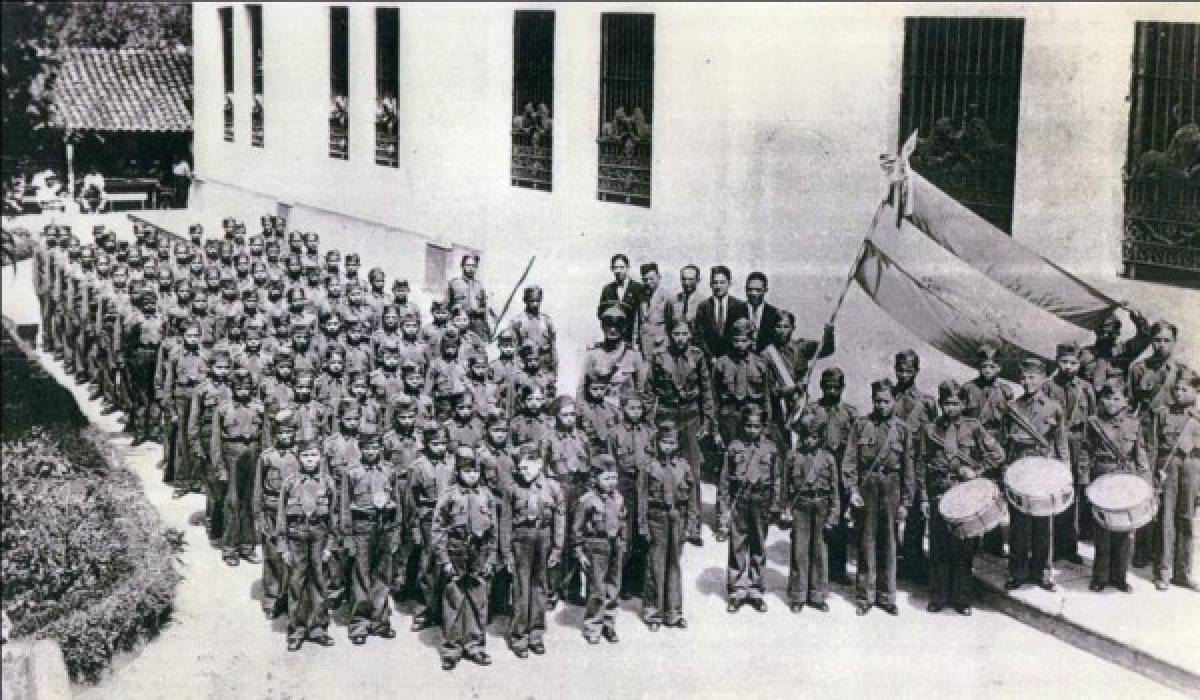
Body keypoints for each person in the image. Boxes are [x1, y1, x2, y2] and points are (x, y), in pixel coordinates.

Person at [920, 381, 1005, 615]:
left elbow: (998, 454)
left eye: (955, 403)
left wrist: (977, 471)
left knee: (963, 547)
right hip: (938, 490)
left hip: (964, 493)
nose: (951, 408)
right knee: (938, 547)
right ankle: (938, 596)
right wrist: (924, 498)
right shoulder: (930, 430)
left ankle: (961, 598)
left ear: (963, 404)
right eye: (946, 403)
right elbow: (921, 465)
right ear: (940, 404)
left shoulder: (974, 427)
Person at [845, 379, 915, 616]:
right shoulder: (861, 425)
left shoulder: (902, 429)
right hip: (868, 487)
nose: (881, 405)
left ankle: (886, 596)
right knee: (866, 542)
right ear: (872, 400)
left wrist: (906, 501)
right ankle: (865, 596)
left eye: (886, 401)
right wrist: (852, 490)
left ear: (894, 401)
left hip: (892, 487)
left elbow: (908, 468)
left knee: (889, 543)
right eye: (877, 401)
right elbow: (850, 460)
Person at [1003, 357, 1069, 592]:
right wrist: (1005, 471)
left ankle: (1043, 573)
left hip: (1043, 467)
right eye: (1024, 377)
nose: (1027, 381)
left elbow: (1061, 442)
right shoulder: (1013, 407)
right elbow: (1004, 442)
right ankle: (1017, 572)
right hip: (1019, 467)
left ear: (1042, 379)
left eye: (1032, 377)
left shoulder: (1053, 407)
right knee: (1019, 524)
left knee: (1044, 523)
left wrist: (1065, 472)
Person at [432, 447, 499, 670]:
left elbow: (494, 531)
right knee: (454, 599)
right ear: (458, 471)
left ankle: (475, 645)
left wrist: (490, 558)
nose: (471, 475)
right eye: (466, 471)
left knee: (478, 599)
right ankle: (452, 648)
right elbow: (438, 529)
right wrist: (445, 559)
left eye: (475, 472)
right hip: (456, 550)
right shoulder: (449, 495)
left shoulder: (486, 495)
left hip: (479, 552)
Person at [648, 320, 714, 544]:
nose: (680, 338)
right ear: (670, 335)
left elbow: (706, 390)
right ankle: (668, 520)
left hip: (691, 416)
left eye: (685, 333)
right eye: (676, 333)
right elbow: (650, 389)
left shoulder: (698, 356)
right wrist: (650, 422)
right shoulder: (659, 357)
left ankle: (693, 526)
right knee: (665, 467)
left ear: (690, 335)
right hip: (666, 415)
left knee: (693, 472)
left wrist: (707, 420)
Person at [1081, 380, 1150, 592]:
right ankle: (1100, 577)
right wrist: (1084, 480)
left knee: (1124, 529)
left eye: (1117, 398)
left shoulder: (1134, 423)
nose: (1111, 403)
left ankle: (1119, 577)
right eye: (1107, 398)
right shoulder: (1094, 423)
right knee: (1102, 529)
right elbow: (1085, 452)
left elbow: (1140, 454)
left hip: (1126, 479)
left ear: (1126, 402)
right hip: (1102, 476)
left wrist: (1145, 482)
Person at [1128, 320, 1187, 568]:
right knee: (1143, 492)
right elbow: (1131, 404)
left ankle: (1163, 552)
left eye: (1166, 340)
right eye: (1157, 340)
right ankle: (1141, 549)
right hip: (1144, 436)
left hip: (1166, 439)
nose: (1161, 345)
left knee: (1167, 496)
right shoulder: (1138, 369)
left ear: (1174, 342)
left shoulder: (1181, 372)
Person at [499, 445, 565, 658]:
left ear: (539, 464)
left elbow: (559, 519)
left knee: (540, 587)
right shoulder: (512, 489)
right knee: (521, 588)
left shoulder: (553, 487)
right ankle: (519, 636)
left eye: (527, 467)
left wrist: (557, 548)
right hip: (521, 539)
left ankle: (536, 633)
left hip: (544, 538)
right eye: (520, 468)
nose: (523, 472)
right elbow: (505, 522)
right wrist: (506, 552)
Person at [341, 431, 404, 644]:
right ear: (361, 449)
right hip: (362, 526)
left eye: (375, 448)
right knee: (361, 575)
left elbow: (398, 504)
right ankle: (360, 623)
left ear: (381, 449)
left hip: (385, 526)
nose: (371, 452)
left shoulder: (389, 471)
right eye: (367, 448)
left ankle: (380, 620)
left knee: (382, 574)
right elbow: (343, 507)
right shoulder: (352, 473)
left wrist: (396, 532)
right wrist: (347, 536)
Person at [276, 439, 337, 651]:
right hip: (296, 535)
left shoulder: (327, 482)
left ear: (320, 457)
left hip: (319, 534)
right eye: (305, 456)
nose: (310, 460)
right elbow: (281, 516)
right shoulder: (289, 483)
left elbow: (334, 516)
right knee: (296, 582)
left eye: (313, 455)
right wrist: (283, 546)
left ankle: (317, 627)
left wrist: (330, 544)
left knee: (319, 581)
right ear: (298, 458)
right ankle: (296, 630)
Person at [720, 405, 779, 613]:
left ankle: (755, 589)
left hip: (761, 499)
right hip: (741, 499)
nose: (751, 430)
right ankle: (736, 588)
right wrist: (724, 508)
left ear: (763, 427)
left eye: (756, 426)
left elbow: (776, 478)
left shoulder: (770, 449)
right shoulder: (734, 447)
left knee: (759, 544)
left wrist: (775, 504)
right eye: (748, 426)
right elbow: (725, 479)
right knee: (737, 543)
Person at [637, 421, 696, 629]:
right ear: (657, 443)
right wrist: (642, 524)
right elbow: (642, 497)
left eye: (672, 443)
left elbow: (692, 498)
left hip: (677, 517)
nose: (668, 446)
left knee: (674, 565)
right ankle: (653, 612)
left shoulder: (683, 467)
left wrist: (691, 523)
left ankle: (674, 612)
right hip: (657, 518)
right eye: (664, 442)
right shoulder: (649, 466)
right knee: (656, 565)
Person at [1043, 341, 1096, 564]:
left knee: (1074, 496)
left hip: (1078, 443)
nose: (1068, 367)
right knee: (1054, 494)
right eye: (1064, 362)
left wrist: (1088, 451)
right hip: (1055, 445)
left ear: (1078, 364)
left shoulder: (1085, 388)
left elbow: (1092, 420)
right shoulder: (1047, 387)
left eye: (1073, 363)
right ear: (1057, 362)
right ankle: (1051, 547)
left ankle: (1070, 547)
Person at [784, 410, 840, 613]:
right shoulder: (793, 457)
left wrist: (834, 513)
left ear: (821, 437)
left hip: (821, 505)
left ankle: (817, 595)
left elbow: (834, 488)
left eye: (814, 437)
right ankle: (798, 595)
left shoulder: (828, 459)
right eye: (805, 436)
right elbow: (785, 484)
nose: (809, 440)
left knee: (819, 551)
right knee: (799, 550)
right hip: (801, 506)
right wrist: (784, 509)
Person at [1150, 371, 1200, 591]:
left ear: (1196, 391)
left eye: (1184, 389)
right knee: (1166, 519)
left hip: (1192, 467)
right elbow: (1151, 445)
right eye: (1176, 389)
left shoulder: (1198, 418)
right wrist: (1152, 474)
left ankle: (1183, 572)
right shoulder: (1162, 414)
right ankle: (1163, 571)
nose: (1178, 393)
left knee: (1187, 519)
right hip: (1168, 466)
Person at [212, 368, 266, 566]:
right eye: (238, 387)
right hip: (231, 454)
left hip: (252, 453)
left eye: (246, 387)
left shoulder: (258, 408)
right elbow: (216, 440)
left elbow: (265, 437)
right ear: (233, 388)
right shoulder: (223, 409)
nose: (243, 391)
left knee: (251, 501)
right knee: (232, 502)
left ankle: (247, 545)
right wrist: (219, 467)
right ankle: (230, 548)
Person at [574, 455, 627, 644]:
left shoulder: (619, 498)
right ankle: (593, 626)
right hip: (596, 547)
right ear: (595, 478)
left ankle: (609, 624)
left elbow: (622, 522)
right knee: (597, 589)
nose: (611, 483)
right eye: (606, 478)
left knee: (613, 587)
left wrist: (623, 542)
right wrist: (579, 552)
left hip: (615, 546)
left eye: (614, 478)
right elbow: (577, 530)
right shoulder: (587, 500)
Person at [409, 421, 456, 631]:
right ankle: (426, 610)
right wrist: (415, 526)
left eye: (443, 443)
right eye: (435, 443)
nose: (440, 447)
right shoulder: (418, 466)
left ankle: (446, 611)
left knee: (448, 564)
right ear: (427, 443)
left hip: (451, 519)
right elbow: (411, 500)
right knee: (427, 566)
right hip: (428, 517)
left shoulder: (454, 463)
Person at [254, 409, 300, 619]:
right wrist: (258, 515)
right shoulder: (266, 457)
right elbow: (257, 489)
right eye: (281, 433)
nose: (285, 437)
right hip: (271, 511)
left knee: (293, 557)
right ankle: (272, 598)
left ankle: (291, 599)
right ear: (275, 434)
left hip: (294, 513)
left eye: (289, 433)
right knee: (272, 555)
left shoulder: (301, 456)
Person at [693, 265, 749, 359]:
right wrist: (710, 357)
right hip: (709, 359)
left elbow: (743, 334)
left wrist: (729, 358)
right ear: (710, 284)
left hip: (733, 359)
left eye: (722, 282)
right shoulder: (703, 307)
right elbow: (699, 336)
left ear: (729, 283)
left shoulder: (740, 306)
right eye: (715, 282)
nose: (718, 286)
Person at [509, 286, 558, 374]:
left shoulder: (547, 321)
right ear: (525, 300)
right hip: (525, 366)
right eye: (531, 301)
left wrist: (554, 371)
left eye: (537, 300)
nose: (535, 304)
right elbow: (514, 348)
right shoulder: (517, 321)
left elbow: (553, 348)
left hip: (544, 368)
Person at [597, 253, 644, 343]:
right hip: (614, 338)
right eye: (615, 268)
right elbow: (600, 313)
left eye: (621, 267)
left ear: (627, 268)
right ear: (612, 269)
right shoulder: (607, 289)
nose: (618, 271)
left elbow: (642, 316)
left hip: (633, 339)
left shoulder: (638, 288)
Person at [447, 254, 494, 342]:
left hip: (476, 323)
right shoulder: (454, 283)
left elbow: (484, 308)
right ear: (462, 266)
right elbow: (447, 306)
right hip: (460, 323)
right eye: (468, 265)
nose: (471, 268)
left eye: (474, 266)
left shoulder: (479, 286)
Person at [638, 263, 671, 358]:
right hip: (644, 341)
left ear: (659, 277)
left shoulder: (666, 296)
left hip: (660, 341)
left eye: (651, 279)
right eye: (645, 279)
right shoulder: (641, 296)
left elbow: (671, 322)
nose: (648, 282)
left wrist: (664, 338)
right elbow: (638, 321)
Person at [664, 264, 706, 333]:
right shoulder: (672, 301)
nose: (686, 283)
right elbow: (668, 326)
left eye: (690, 279)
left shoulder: (704, 303)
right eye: (684, 279)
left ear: (698, 280)